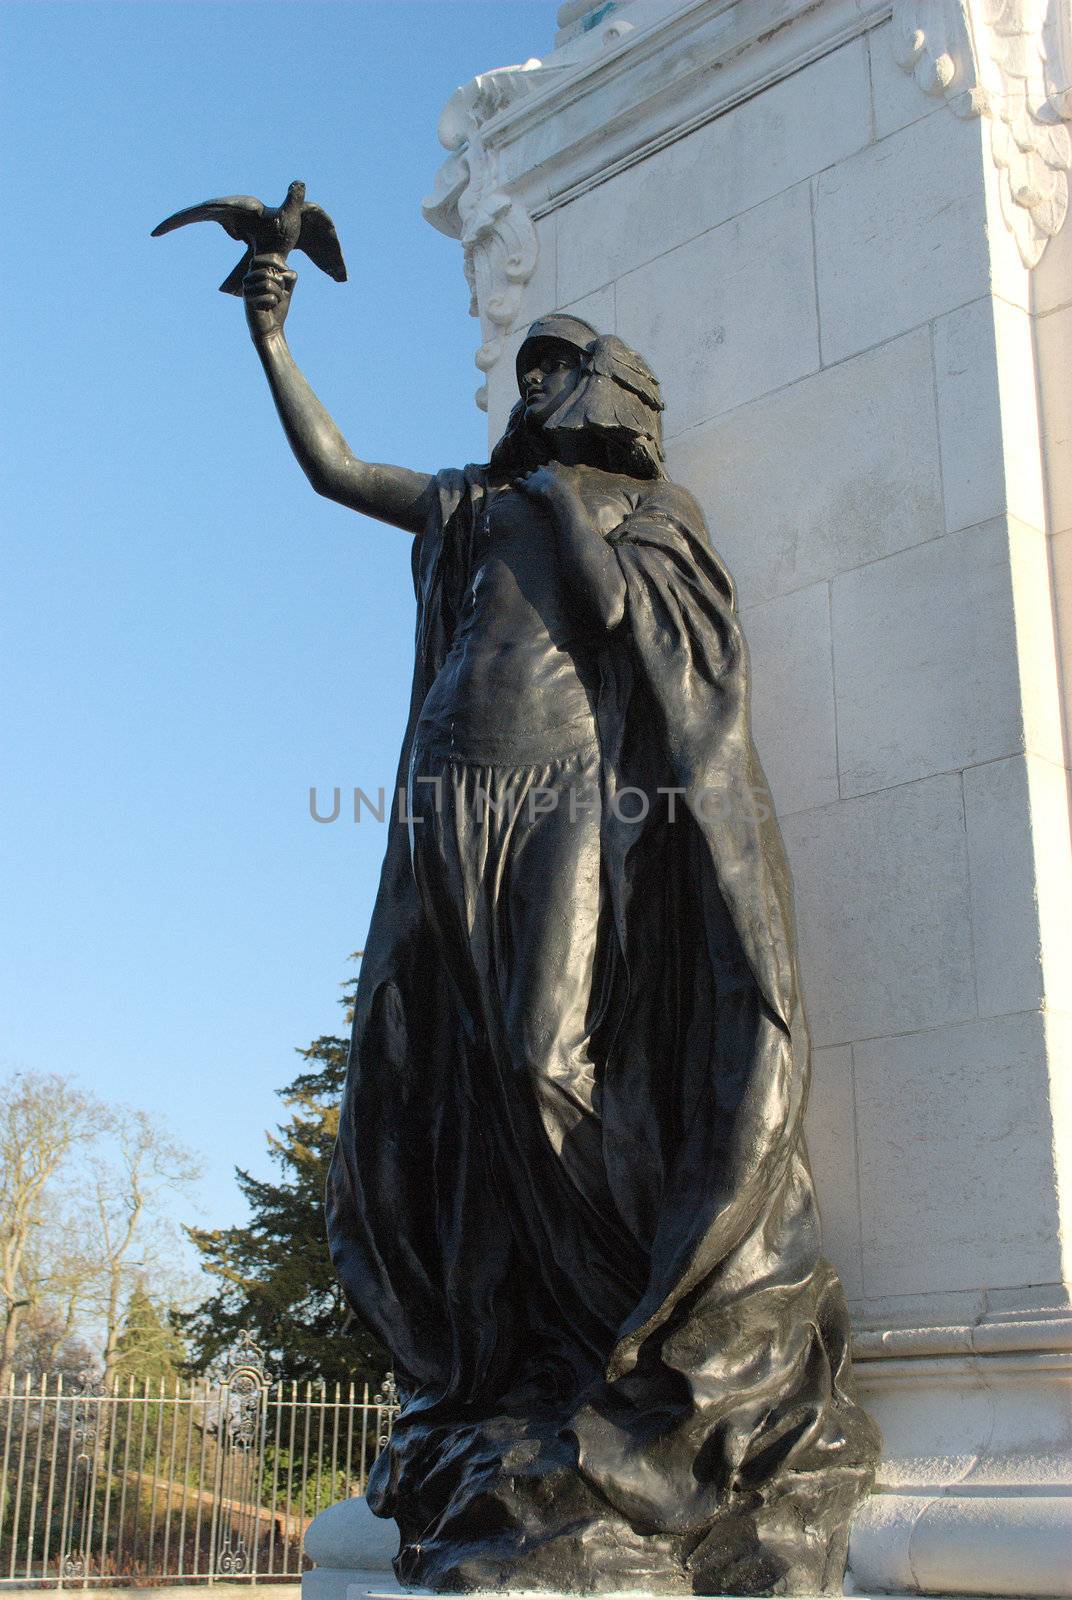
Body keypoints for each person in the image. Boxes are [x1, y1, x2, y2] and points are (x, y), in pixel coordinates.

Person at [241, 259, 879, 1596]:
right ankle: (519, 1358)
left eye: (552, 367)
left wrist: (568, 496)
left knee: (545, 1057)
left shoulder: (641, 514)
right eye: (521, 371)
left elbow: (615, 620)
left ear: (601, 386)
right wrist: (271, 332)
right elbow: (338, 472)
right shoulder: (470, 508)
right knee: (457, 1077)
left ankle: (627, 1338)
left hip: (575, 796)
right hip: (446, 796)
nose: (528, 388)